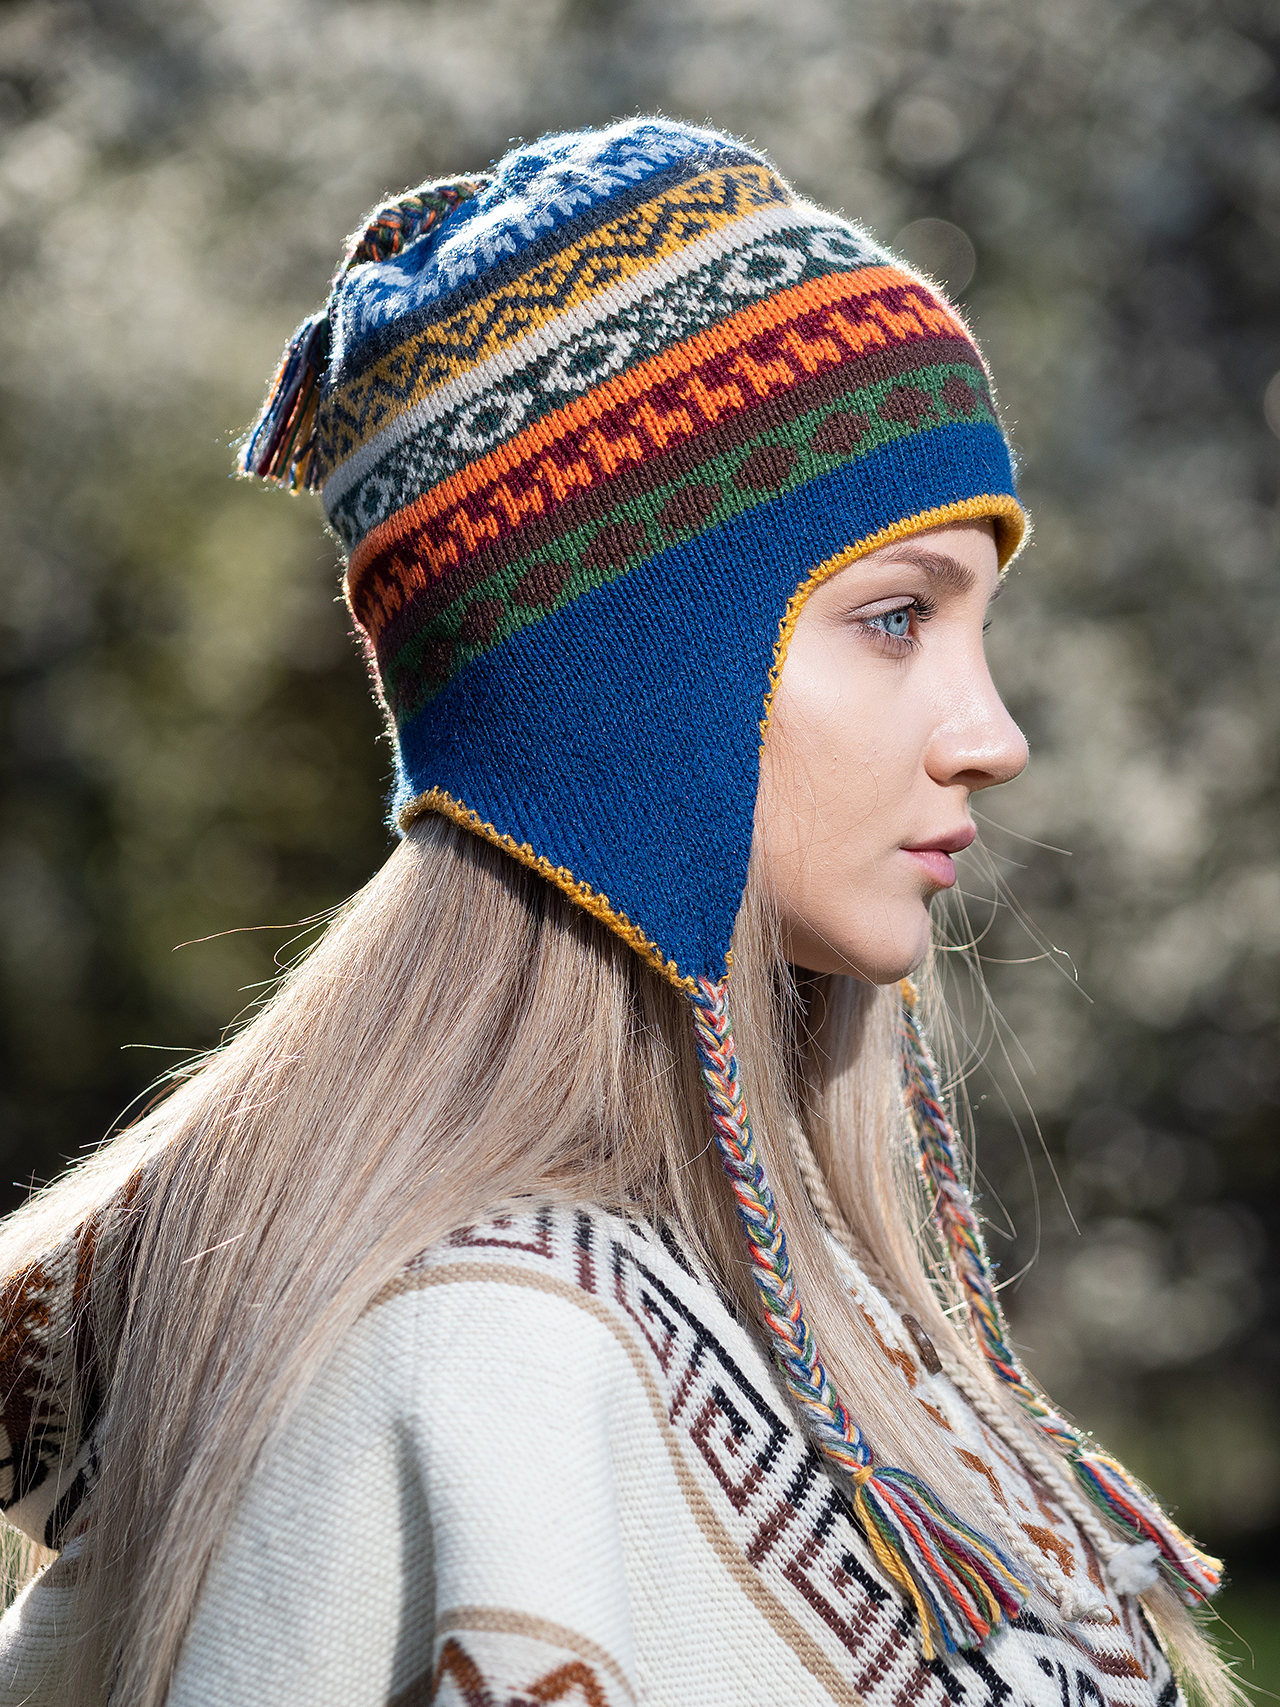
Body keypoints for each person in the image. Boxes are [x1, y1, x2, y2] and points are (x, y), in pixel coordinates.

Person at [0, 117, 1233, 1707]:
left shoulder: (803, 1323)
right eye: (894, 618)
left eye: (978, 626)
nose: (992, 734)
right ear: (639, 691)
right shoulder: (479, 1363)